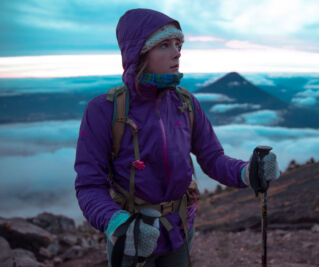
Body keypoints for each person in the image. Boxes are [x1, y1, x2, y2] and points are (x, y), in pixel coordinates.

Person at [74, 8, 279, 267]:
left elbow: (212, 158)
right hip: (132, 236)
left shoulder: (186, 103)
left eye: (178, 44)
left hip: (179, 229)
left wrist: (247, 173)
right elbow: (89, 185)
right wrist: (116, 223)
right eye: (164, 45)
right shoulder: (104, 110)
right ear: (139, 52)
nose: (177, 52)